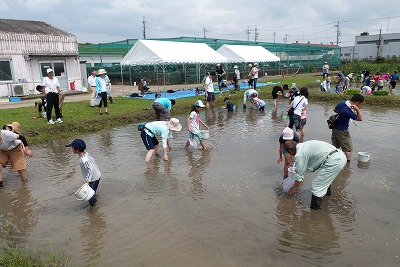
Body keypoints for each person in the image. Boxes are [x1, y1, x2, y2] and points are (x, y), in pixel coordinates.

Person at [284, 140, 347, 210]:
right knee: (324, 179)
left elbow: (299, 177)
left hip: (335, 161)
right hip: (339, 155)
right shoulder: (303, 145)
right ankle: (327, 197)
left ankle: (315, 212)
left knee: (316, 186)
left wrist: (293, 187)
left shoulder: (300, 154)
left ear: (290, 151)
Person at [65, 139, 101, 206]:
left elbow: (90, 169)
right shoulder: (85, 153)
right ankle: (94, 195)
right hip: (93, 176)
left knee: (90, 198)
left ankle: (95, 207)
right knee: (92, 191)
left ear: (77, 150)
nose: (71, 149)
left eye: (72, 147)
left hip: (94, 178)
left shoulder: (84, 159)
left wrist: (87, 181)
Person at [331, 94, 364, 162]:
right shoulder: (347, 111)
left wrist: (342, 116)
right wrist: (357, 110)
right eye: (359, 104)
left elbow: (334, 109)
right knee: (348, 149)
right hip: (342, 130)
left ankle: (333, 160)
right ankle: (347, 165)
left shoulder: (342, 103)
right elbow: (360, 119)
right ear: (357, 102)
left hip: (334, 128)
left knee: (335, 147)